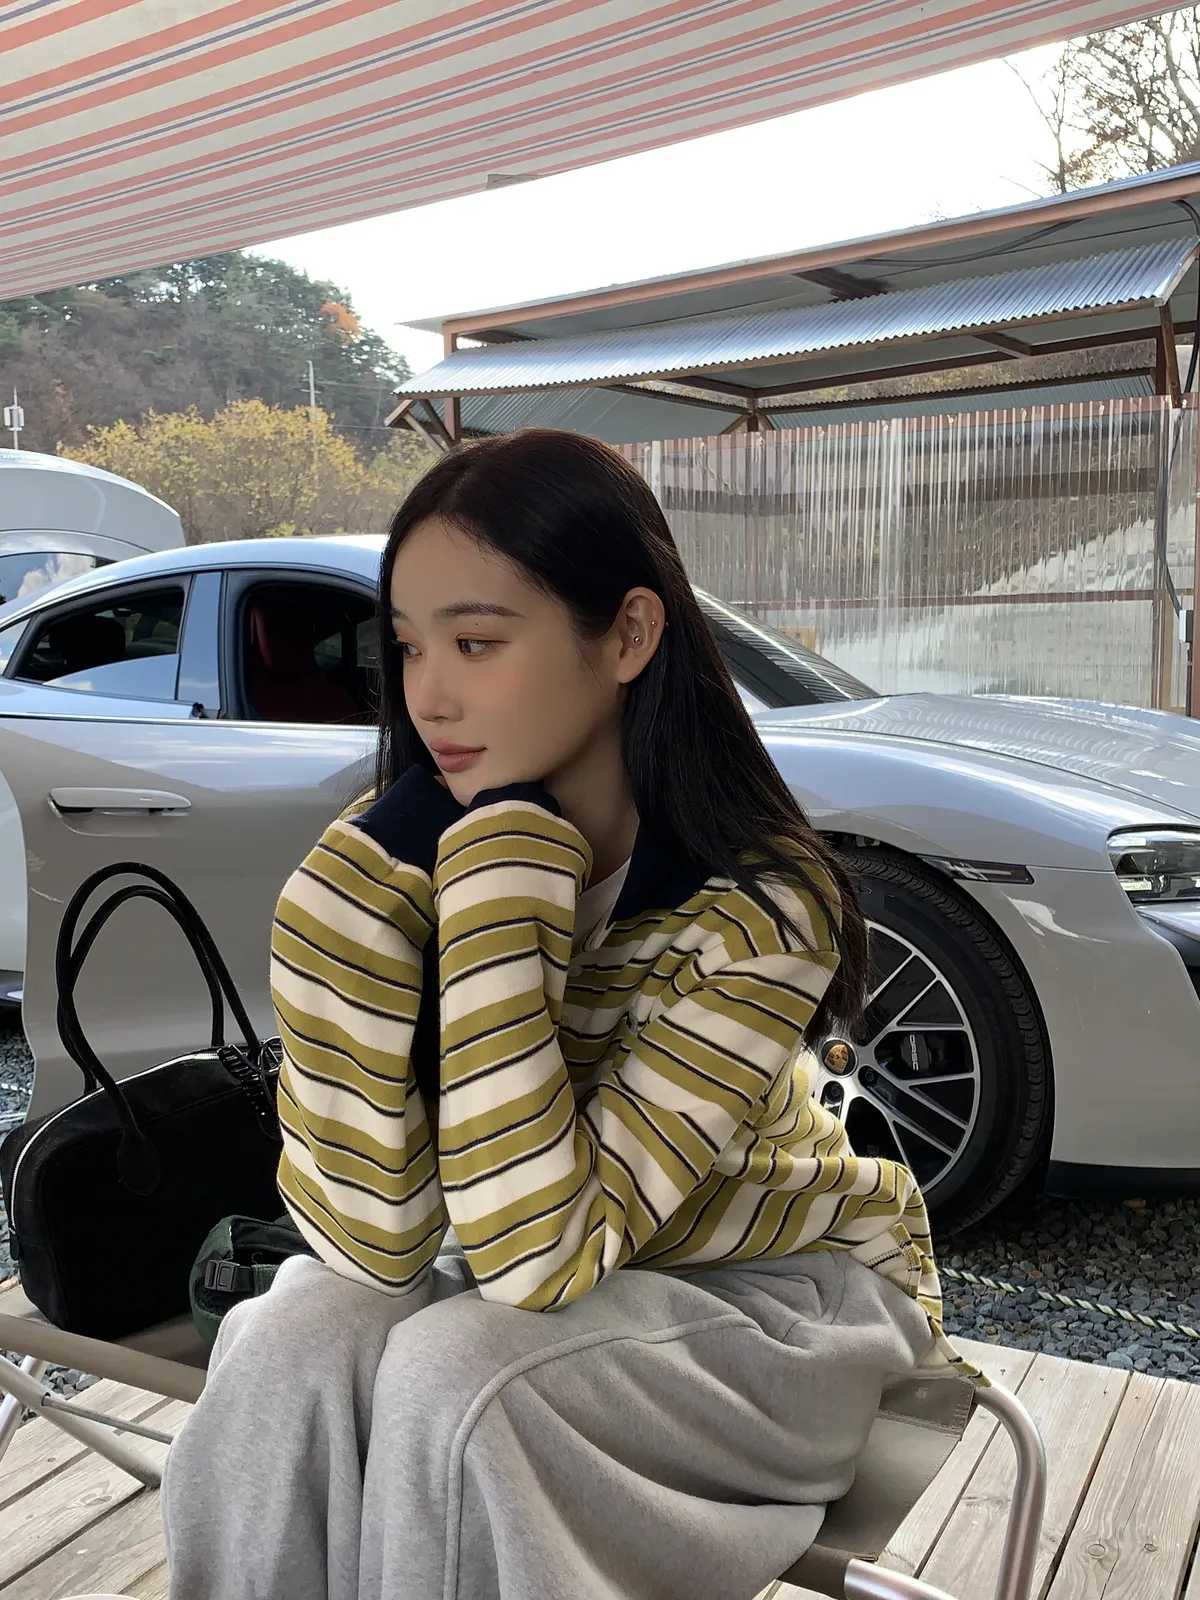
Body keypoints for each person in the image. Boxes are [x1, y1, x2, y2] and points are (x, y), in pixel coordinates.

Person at [153, 430, 974, 1600]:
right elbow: (372, 1242)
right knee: (290, 1341)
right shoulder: (396, 860)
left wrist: (502, 896)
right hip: (511, 1277)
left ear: (629, 635)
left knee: (461, 1378)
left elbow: (540, 1257)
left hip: (777, 1298)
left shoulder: (758, 905)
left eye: (477, 642)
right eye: (408, 646)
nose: (430, 695)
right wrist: (340, 936)